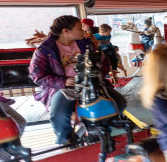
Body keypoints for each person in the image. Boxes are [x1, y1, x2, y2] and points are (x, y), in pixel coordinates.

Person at [29, 15, 127, 145]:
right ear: (66, 31)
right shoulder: (45, 50)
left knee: (120, 102)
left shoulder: (86, 43)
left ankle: (108, 125)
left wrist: (97, 73)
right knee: (59, 113)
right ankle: (65, 139)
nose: (84, 31)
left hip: (91, 83)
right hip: (64, 87)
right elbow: (37, 75)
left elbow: (103, 62)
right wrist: (63, 82)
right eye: (79, 28)